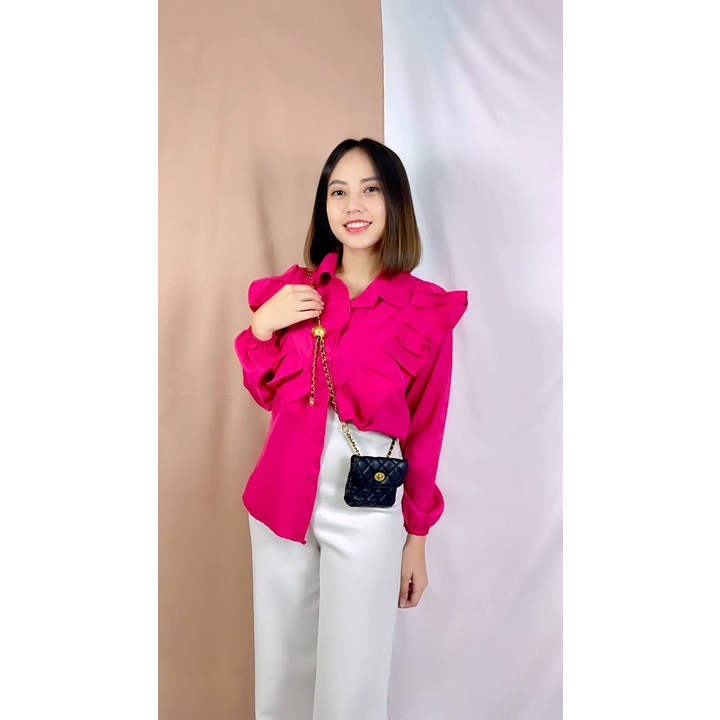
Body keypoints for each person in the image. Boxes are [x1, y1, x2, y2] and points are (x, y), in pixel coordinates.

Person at [234, 138, 468, 720]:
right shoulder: (295, 293)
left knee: (352, 684)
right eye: (338, 191)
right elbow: (265, 392)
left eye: (370, 190)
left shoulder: (423, 309)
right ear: (325, 205)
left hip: (367, 500)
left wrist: (416, 538)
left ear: (394, 202)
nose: (353, 204)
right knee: (281, 675)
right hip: (281, 495)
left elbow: (427, 428)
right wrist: (262, 327)